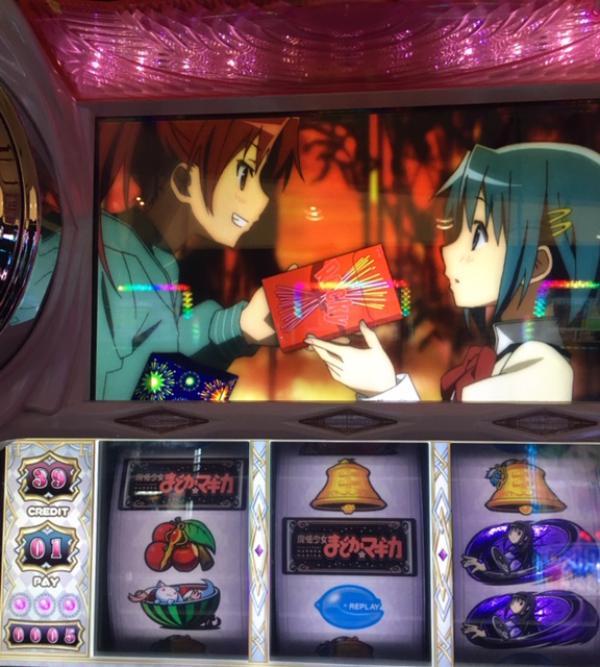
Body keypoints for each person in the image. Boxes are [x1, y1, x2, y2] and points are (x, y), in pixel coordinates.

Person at [307, 143, 600, 402]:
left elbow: (457, 446)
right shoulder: (514, 354)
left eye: (477, 236)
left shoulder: (541, 368)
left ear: (537, 264)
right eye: (453, 232)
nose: (447, 252)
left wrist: (382, 388)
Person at [96, 117, 300, 399]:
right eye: (244, 175)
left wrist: (243, 326)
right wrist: (240, 329)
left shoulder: (156, 262)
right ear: (183, 181)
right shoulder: (118, 261)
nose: (262, 200)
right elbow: (142, 406)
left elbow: (166, 357)